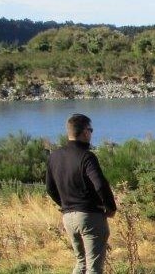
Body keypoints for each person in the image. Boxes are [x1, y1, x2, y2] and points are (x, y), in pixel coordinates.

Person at [46, 113, 117, 274]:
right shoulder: (87, 157)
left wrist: (65, 205)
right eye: (91, 130)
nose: (91, 134)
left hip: (68, 217)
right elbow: (100, 184)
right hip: (90, 216)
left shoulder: (54, 157)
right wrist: (110, 207)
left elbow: (50, 188)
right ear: (85, 132)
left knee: (81, 262)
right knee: (94, 267)